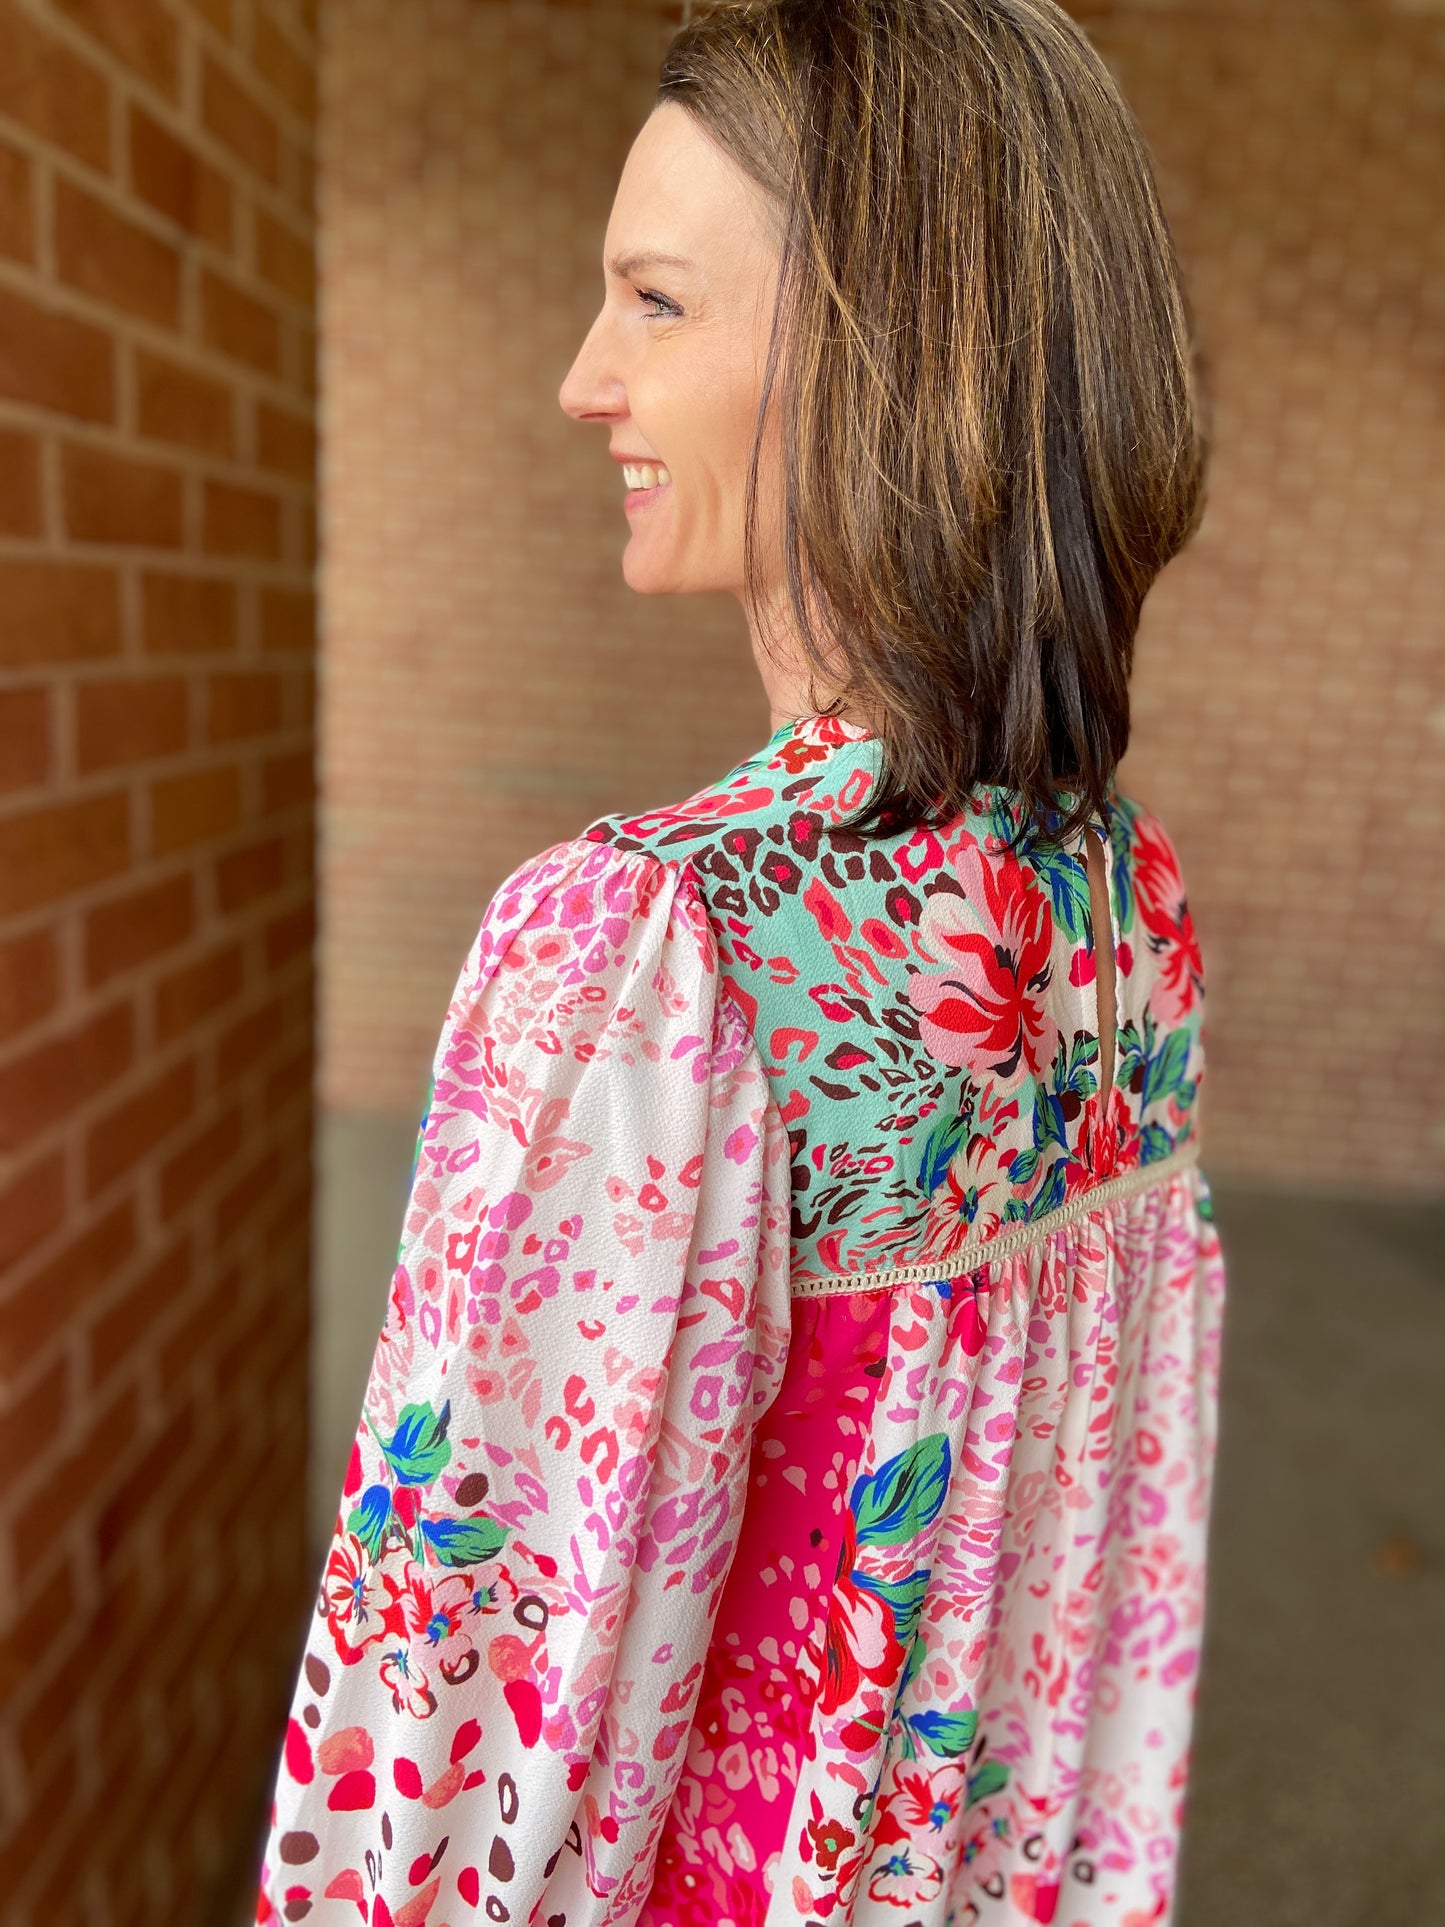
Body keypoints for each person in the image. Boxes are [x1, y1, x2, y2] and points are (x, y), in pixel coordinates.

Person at [255, 1, 1225, 1922]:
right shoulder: (1136, 904)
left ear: (897, 351)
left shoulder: (650, 944)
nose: (581, 380)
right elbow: (1107, 1598)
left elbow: (457, 1671)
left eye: (658, 303)